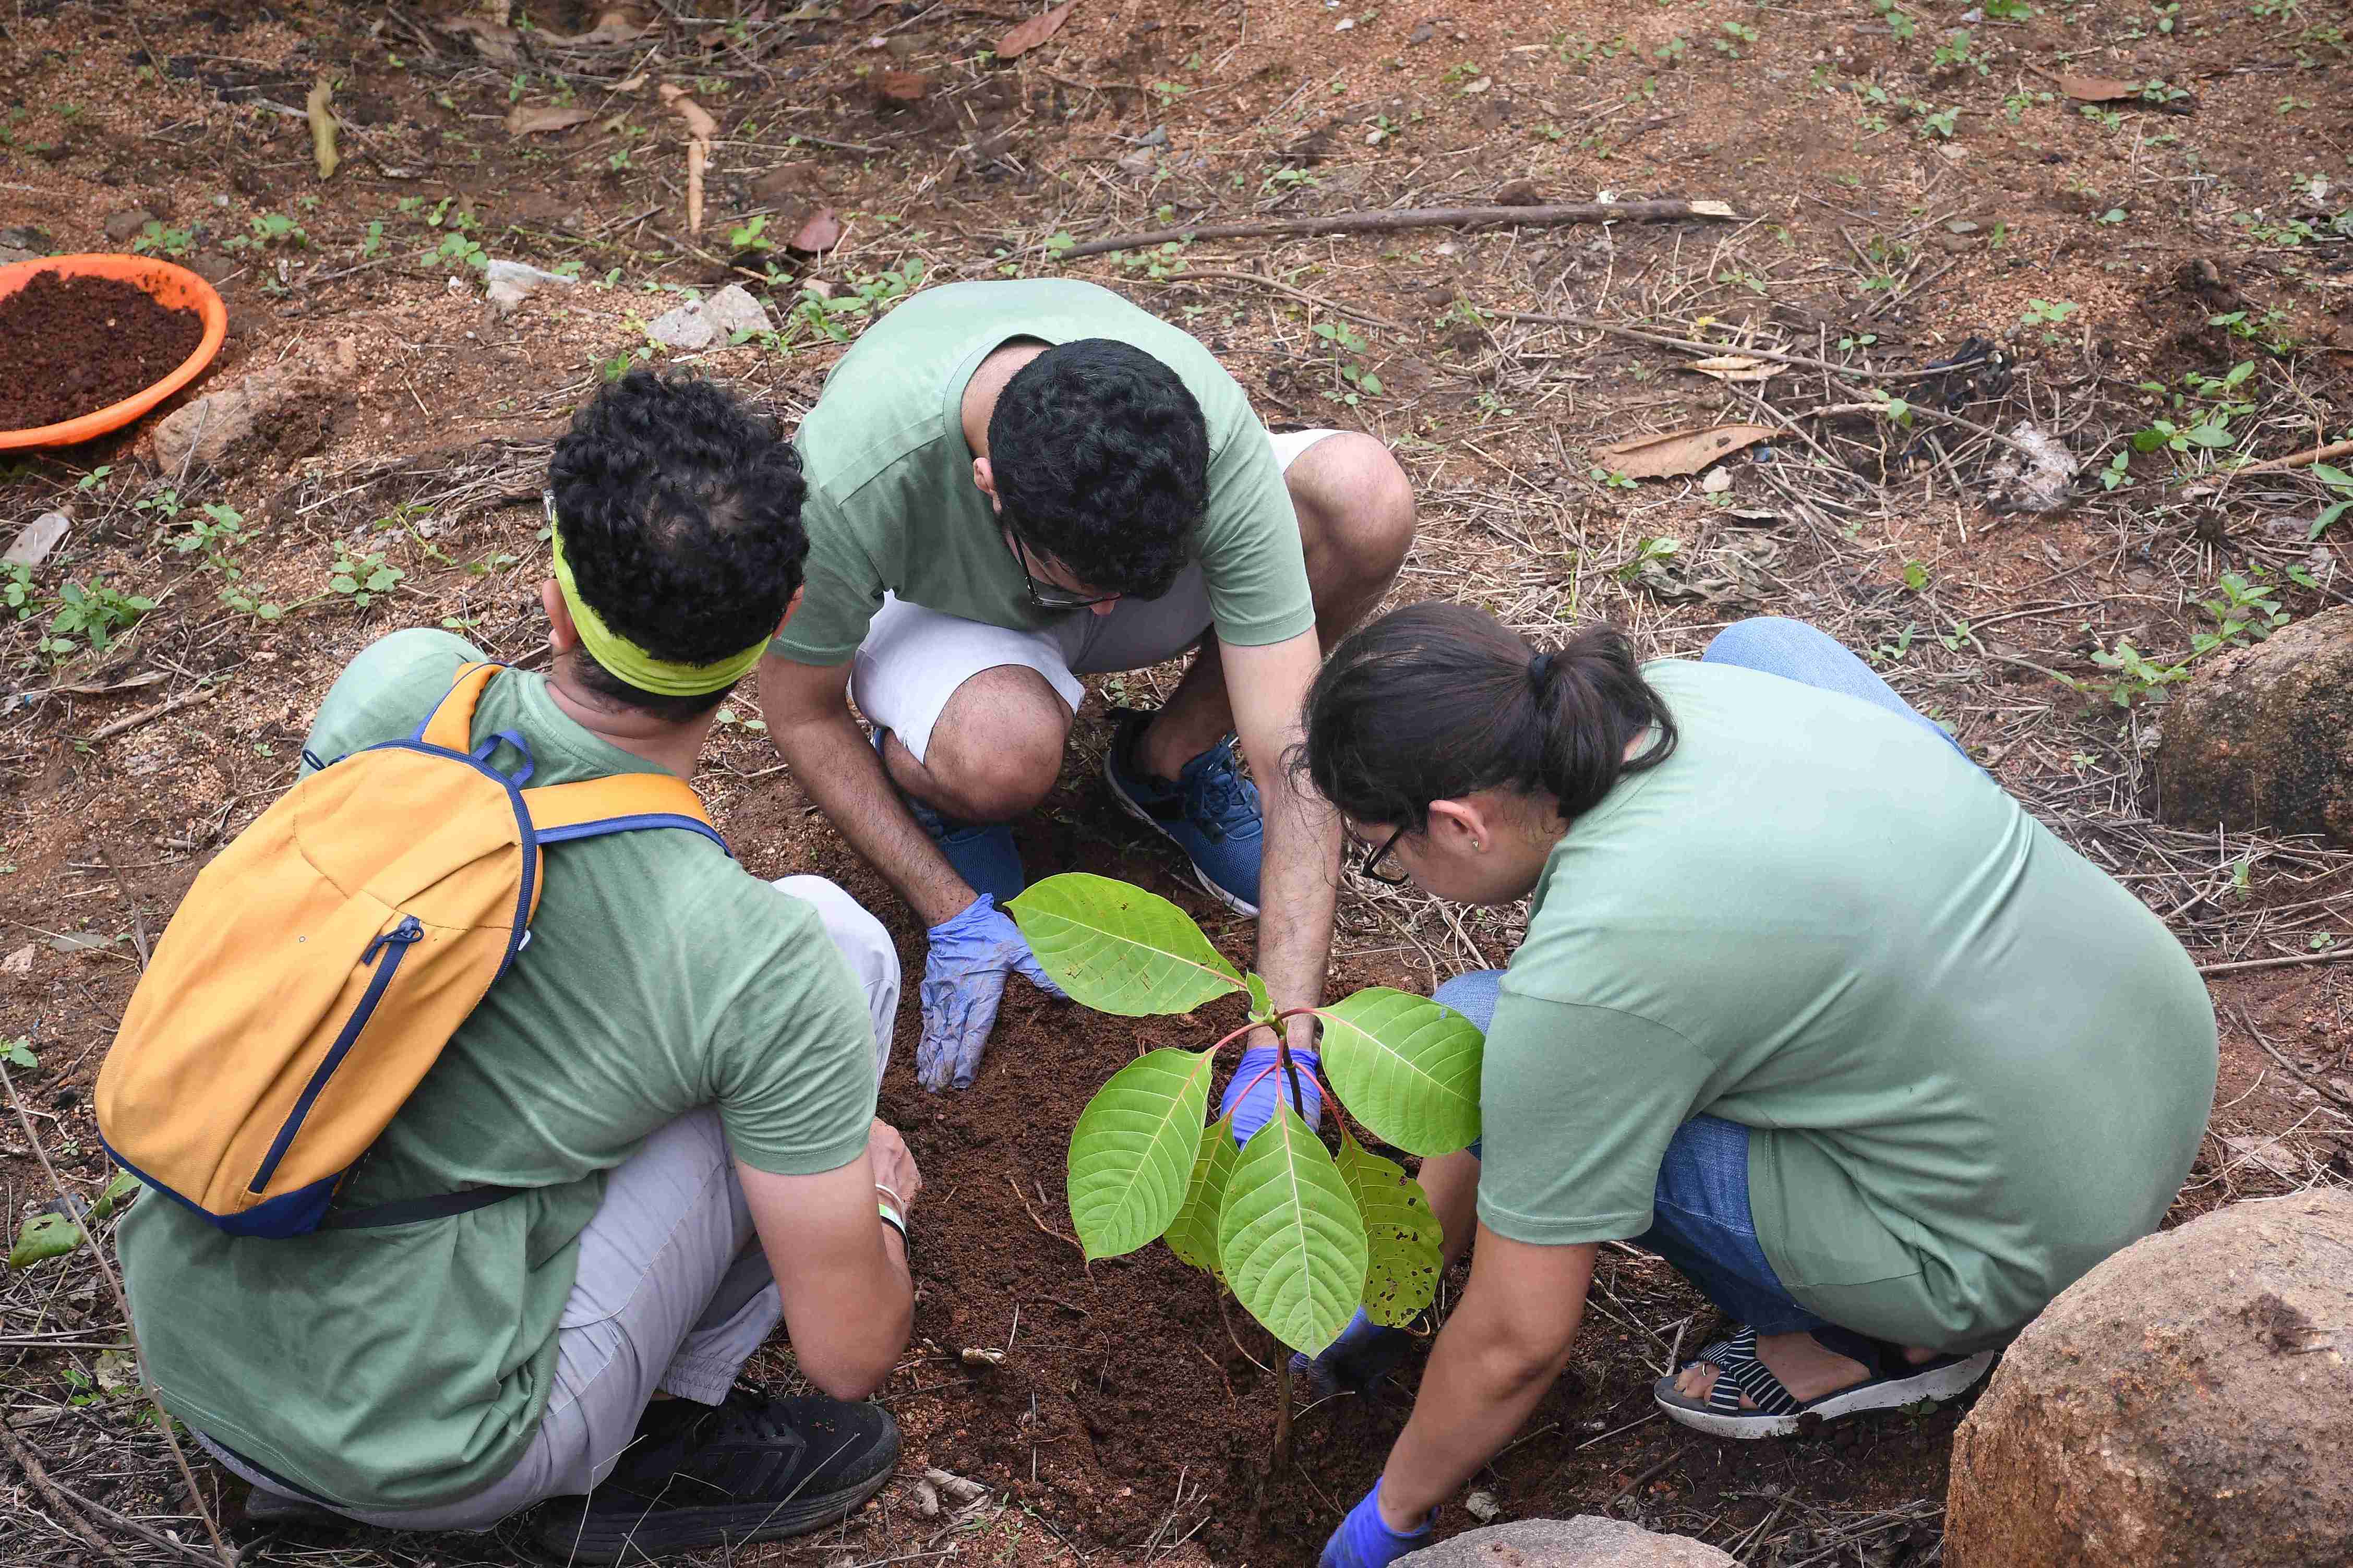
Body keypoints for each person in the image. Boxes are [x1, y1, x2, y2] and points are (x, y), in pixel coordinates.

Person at [118, 371, 922, 1564]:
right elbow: (849, 1355)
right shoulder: (753, 966)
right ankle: (646, 1450)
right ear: (782, 616)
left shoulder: (404, 691)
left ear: (555, 601)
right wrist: (883, 1203)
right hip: (420, 1449)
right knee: (841, 946)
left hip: (185, 1337)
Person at [1293, 606, 2219, 1568]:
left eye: (1384, 852)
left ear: (1457, 822)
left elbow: (1518, 1338)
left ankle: (1887, 1342)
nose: (1393, 869)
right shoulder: (1682, 694)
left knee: (1481, 1029)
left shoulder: (1598, 965)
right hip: (2155, 1048)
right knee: (1767, 639)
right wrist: (1389, 1292)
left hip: (2017, 1239)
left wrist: (1391, 1515)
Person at [763, 278, 1414, 1108]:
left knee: (1363, 498)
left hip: (1107, 544)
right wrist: (950, 911)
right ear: (988, 483)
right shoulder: (857, 478)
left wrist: (1285, 1033)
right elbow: (798, 709)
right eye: (1086, 587)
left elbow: (1292, 754)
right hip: (945, 603)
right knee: (1001, 752)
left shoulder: (1197, 438)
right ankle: (943, 791)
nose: (1109, 613)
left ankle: (1162, 765)